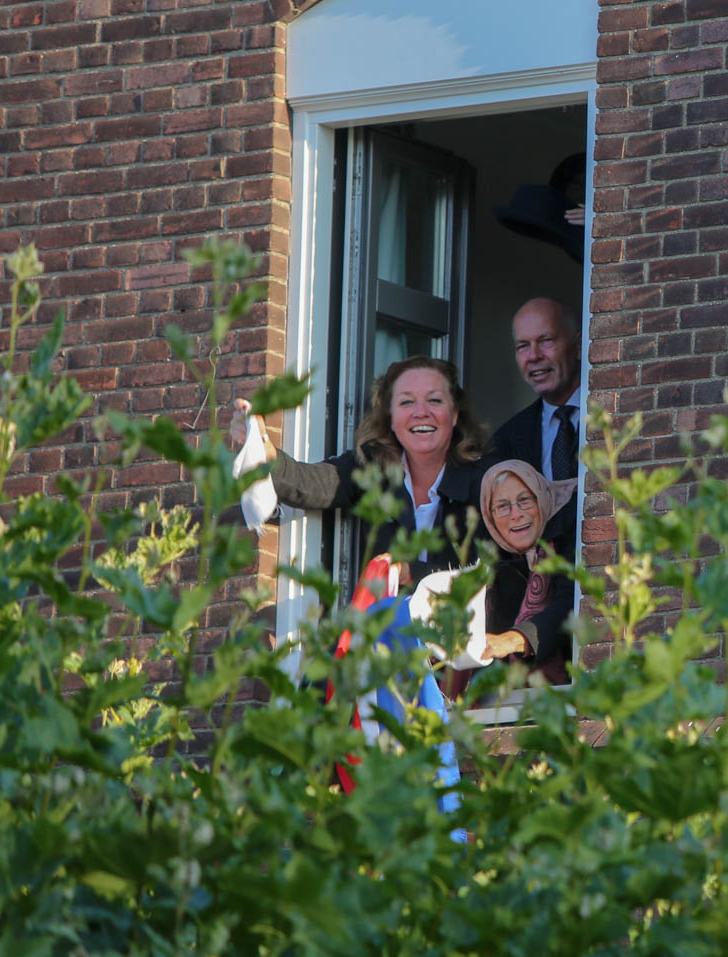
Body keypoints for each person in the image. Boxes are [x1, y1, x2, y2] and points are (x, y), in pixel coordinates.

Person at [244, 356, 492, 566]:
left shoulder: (485, 483)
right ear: (390, 418)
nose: (420, 412)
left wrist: (412, 573)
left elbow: (496, 575)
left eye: (434, 400)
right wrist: (262, 446)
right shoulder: (372, 467)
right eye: (406, 402)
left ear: (454, 414)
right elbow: (309, 483)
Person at [451, 460, 577, 694]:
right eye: (502, 506)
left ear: (541, 498)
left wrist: (514, 639)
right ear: (490, 516)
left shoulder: (570, 537)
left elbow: (571, 605)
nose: (516, 514)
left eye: (525, 500)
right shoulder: (489, 561)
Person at [490, 297, 582, 554]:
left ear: (578, 345)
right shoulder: (507, 439)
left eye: (546, 341)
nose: (534, 356)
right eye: (523, 346)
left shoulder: (612, 419)